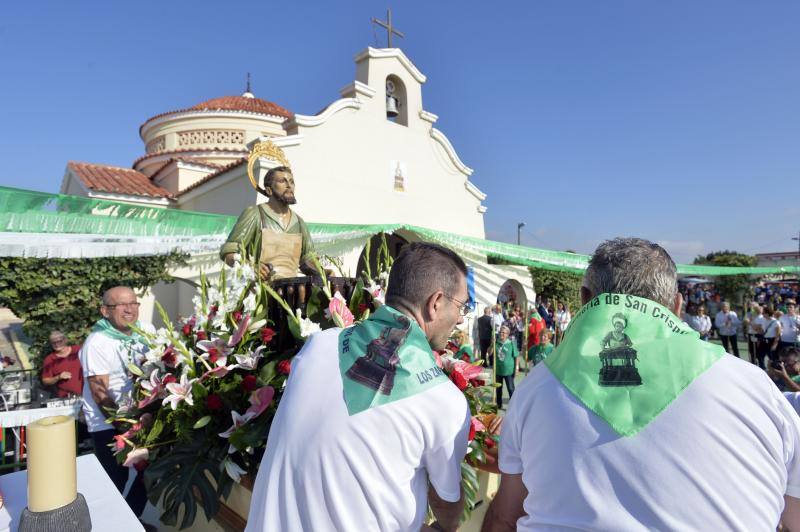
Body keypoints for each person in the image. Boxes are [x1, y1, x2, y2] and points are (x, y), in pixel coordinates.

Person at [483, 237, 800, 531]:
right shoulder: (756, 388)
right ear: (677, 306)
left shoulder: (535, 388)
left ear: (584, 300)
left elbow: (505, 517)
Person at [246, 242, 471, 532]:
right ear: (436, 302)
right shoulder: (443, 400)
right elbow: (446, 500)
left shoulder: (319, 344)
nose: (461, 318)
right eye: (461, 306)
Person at [79, 286, 155, 525]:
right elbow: (100, 393)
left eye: (134, 303)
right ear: (105, 311)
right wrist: (128, 427)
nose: (129, 309)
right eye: (121, 305)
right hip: (109, 424)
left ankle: (132, 522)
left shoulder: (147, 331)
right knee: (116, 482)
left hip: (143, 418)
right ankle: (112, 525)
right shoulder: (97, 342)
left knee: (148, 477)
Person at [220, 165, 319, 280]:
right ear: (269, 190)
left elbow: (308, 260)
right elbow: (230, 252)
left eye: (292, 182)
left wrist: (322, 272)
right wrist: (250, 267)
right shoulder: (255, 214)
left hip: (290, 292)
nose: (289, 185)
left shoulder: (299, 223)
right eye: (282, 181)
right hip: (260, 290)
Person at [41, 330, 83, 398]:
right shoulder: (49, 359)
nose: (57, 345)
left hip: (87, 393)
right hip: (65, 398)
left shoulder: (79, 350)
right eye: (53, 343)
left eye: (59, 341)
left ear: (65, 340)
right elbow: (45, 380)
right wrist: (58, 377)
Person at [492, 325, 518, 409]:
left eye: (503, 332)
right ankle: (499, 404)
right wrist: (492, 344)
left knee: (511, 389)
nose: (501, 334)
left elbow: (516, 356)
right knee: (498, 389)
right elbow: (489, 352)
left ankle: (513, 405)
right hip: (498, 370)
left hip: (509, 370)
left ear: (507, 334)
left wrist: (516, 368)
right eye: (500, 332)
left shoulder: (511, 343)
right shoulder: (496, 342)